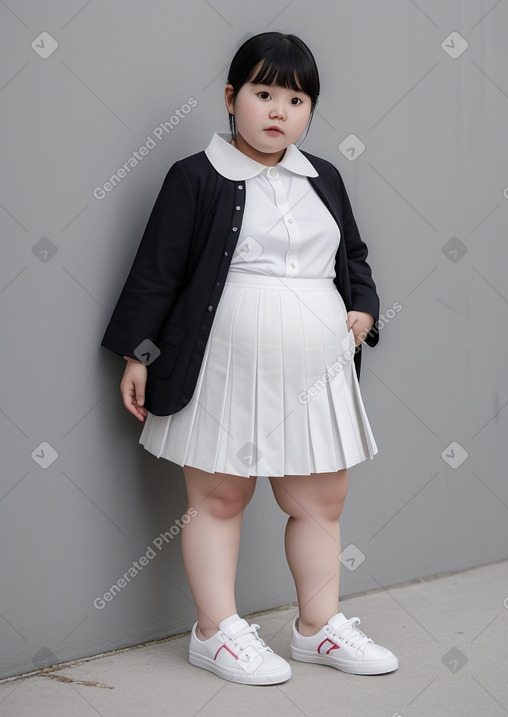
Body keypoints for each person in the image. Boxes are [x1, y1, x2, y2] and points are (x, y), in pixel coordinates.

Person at [100, 31, 398, 685]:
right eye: (264, 93)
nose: (278, 110)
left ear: (309, 110)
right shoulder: (195, 177)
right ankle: (216, 631)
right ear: (232, 97)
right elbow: (158, 275)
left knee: (322, 497)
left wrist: (365, 309)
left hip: (314, 370)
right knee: (219, 495)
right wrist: (138, 355)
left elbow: (354, 257)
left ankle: (318, 628)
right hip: (223, 366)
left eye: (295, 99)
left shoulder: (326, 177)